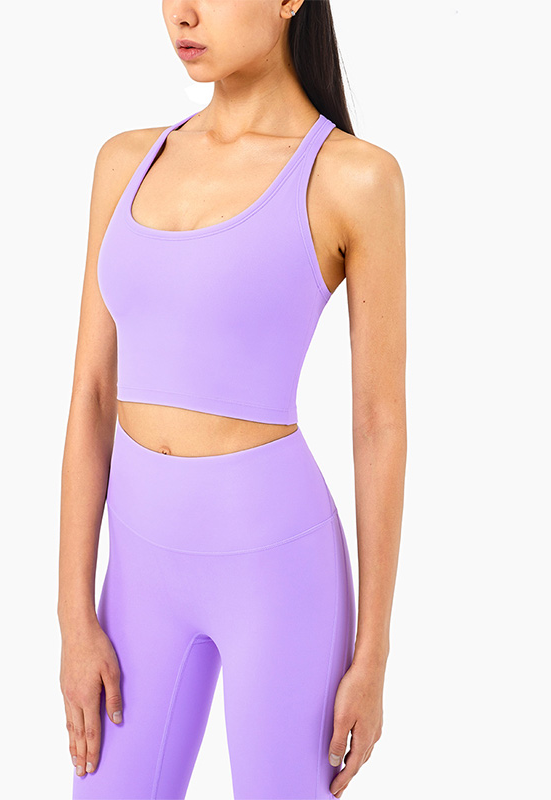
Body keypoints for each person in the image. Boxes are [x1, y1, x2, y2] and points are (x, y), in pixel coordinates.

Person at [58, 2, 406, 798]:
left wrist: (374, 653)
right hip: (137, 574)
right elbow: (91, 394)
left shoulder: (353, 177)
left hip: (277, 571)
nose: (182, 13)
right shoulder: (126, 161)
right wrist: (73, 614)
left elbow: (379, 422)